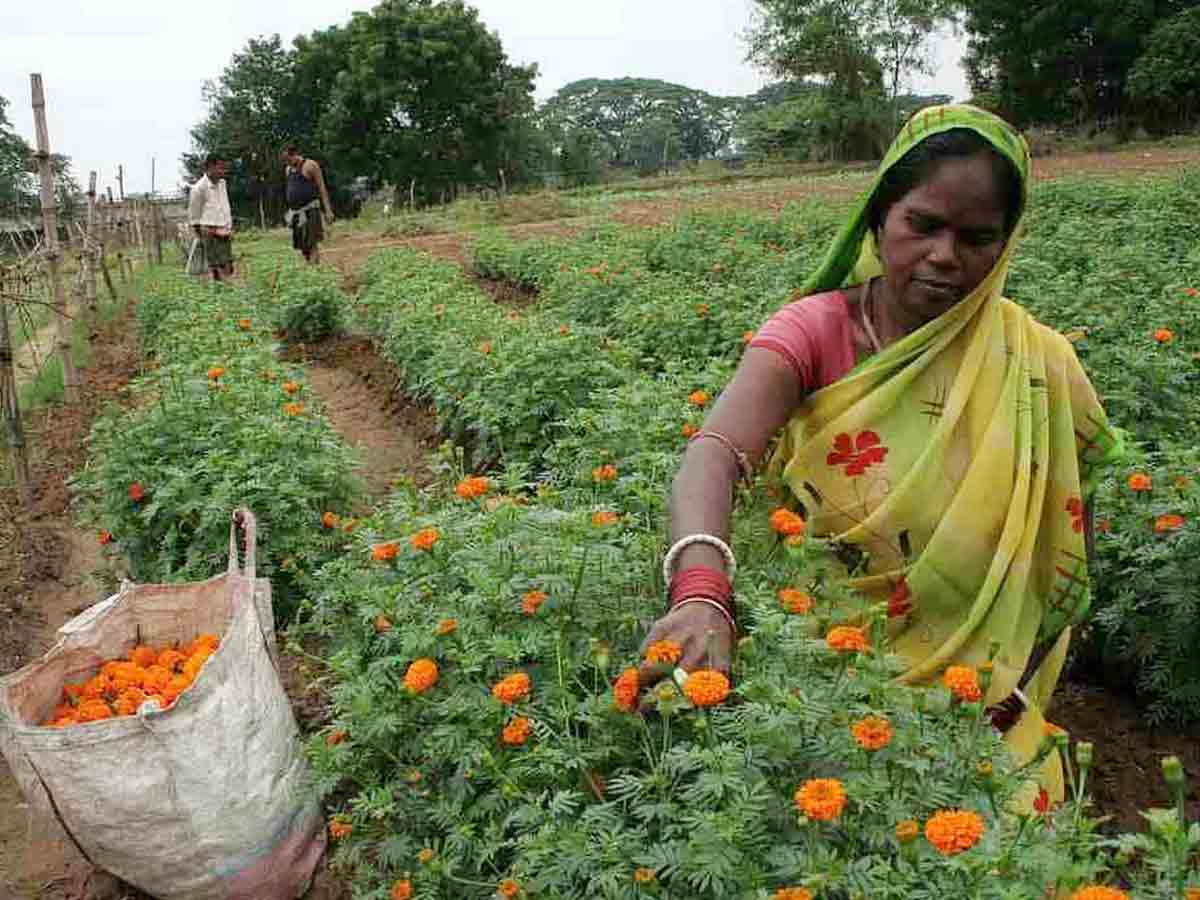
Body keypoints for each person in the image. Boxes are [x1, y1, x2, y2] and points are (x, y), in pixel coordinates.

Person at [641, 104, 1123, 803]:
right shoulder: (814, 332)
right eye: (923, 225)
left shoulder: (1037, 363)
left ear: (1006, 244)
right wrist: (701, 595)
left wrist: (1003, 689)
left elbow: (1059, 541)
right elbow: (713, 453)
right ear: (879, 219)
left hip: (978, 696)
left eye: (978, 237)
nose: (945, 256)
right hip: (821, 663)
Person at [282, 146, 335, 264]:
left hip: (310, 210)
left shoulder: (311, 165)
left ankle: (314, 269)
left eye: (289, 159)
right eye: (285, 161)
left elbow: (322, 189)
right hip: (296, 213)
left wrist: (328, 211)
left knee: (312, 243)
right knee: (303, 246)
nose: (288, 163)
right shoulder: (288, 170)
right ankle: (309, 268)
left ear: (295, 154)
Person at [187, 156, 233, 281]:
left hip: (225, 231)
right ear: (210, 167)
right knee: (215, 268)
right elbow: (194, 217)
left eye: (224, 168)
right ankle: (217, 293)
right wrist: (202, 236)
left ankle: (228, 293)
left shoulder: (222, 184)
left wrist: (228, 227)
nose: (223, 171)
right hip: (209, 232)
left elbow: (224, 206)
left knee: (228, 266)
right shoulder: (198, 189)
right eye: (220, 168)